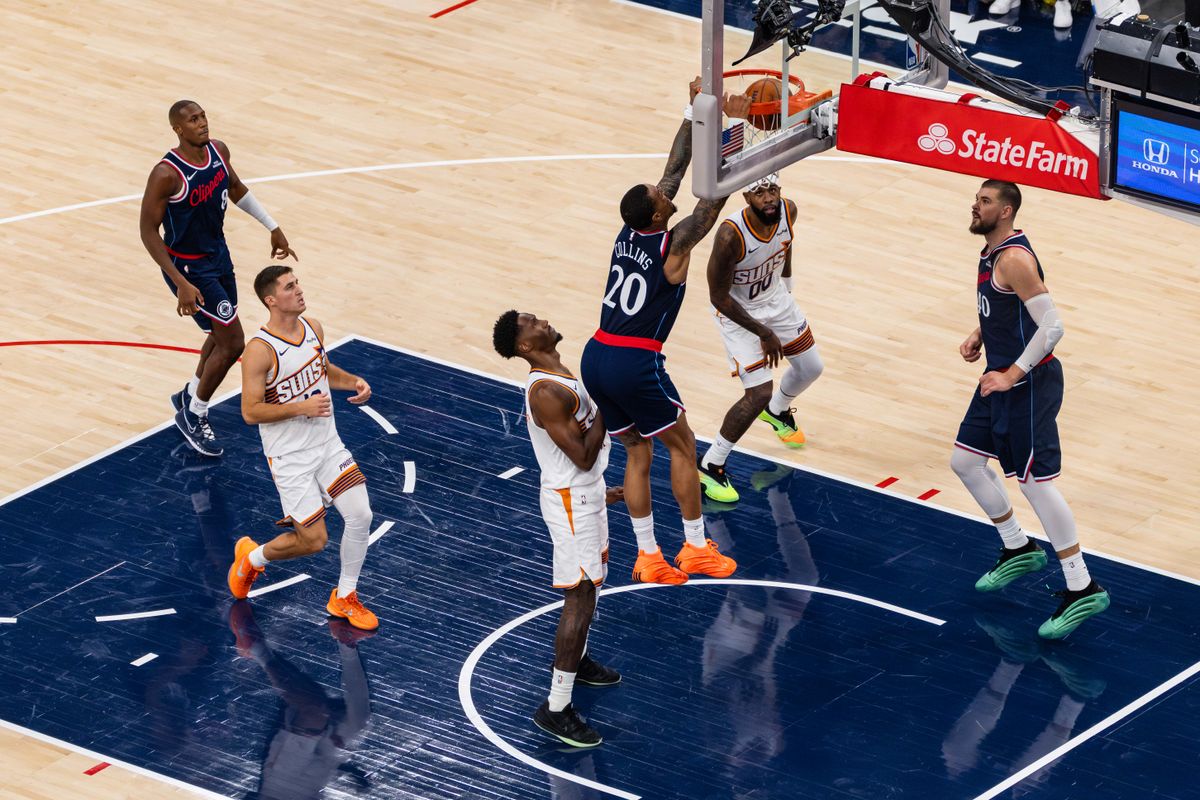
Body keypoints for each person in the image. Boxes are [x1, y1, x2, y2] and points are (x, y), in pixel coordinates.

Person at [579, 79, 750, 585]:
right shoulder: (673, 245)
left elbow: (672, 173)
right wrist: (734, 137)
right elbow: (710, 204)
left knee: (637, 451)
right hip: (634, 360)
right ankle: (695, 547)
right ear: (658, 213)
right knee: (682, 447)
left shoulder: (632, 229)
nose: (663, 189)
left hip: (598, 356)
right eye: (660, 197)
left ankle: (649, 555)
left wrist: (694, 112)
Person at [953, 179, 1108, 639]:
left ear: (1005, 212)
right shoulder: (992, 254)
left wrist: (1012, 374)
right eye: (977, 199)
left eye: (984, 201)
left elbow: (1053, 326)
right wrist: (981, 332)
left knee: (1035, 484)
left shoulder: (1014, 258)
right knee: (964, 461)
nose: (975, 206)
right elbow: (1016, 307)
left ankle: (1082, 587)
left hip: (1029, 382)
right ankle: (1017, 547)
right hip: (999, 375)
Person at [493, 310, 624, 748]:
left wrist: (602, 490)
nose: (544, 320)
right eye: (533, 323)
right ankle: (555, 707)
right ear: (525, 346)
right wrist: (609, 403)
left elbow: (581, 457)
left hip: (585, 493)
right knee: (581, 593)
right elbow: (581, 456)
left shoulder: (561, 373)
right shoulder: (546, 391)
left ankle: (579, 661)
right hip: (572, 499)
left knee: (594, 587)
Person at [139, 99, 297, 457]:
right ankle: (194, 414)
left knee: (218, 332)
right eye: (192, 120)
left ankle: (190, 392)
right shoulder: (166, 174)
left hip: (219, 258)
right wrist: (179, 281)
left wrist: (272, 227)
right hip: (191, 269)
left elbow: (237, 188)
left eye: (203, 116)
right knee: (232, 342)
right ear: (177, 129)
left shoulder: (219, 152)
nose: (201, 123)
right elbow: (148, 232)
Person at [228, 265, 378, 631]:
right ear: (271, 300)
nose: (299, 290)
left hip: (328, 444)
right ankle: (252, 557)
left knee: (361, 516)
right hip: (290, 457)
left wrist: (352, 381)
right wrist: (300, 407)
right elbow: (250, 412)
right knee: (313, 541)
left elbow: (323, 370)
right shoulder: (260, 351)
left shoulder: (314, 328)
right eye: (289, 286)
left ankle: (344, 597)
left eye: (297, 283)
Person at [698, 172, 824, 504]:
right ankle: (712, 463)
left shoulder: (788, 210)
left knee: (811, 367)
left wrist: (788, 283)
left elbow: (786, 244)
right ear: (746, 198)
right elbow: (718, 297)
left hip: (775, 300)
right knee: (756, 393)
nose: (768, 197)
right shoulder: (730, 236)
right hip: (737, 312)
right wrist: (764, 332)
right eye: (759, 192)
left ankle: (778, 410)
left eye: (772, 189)